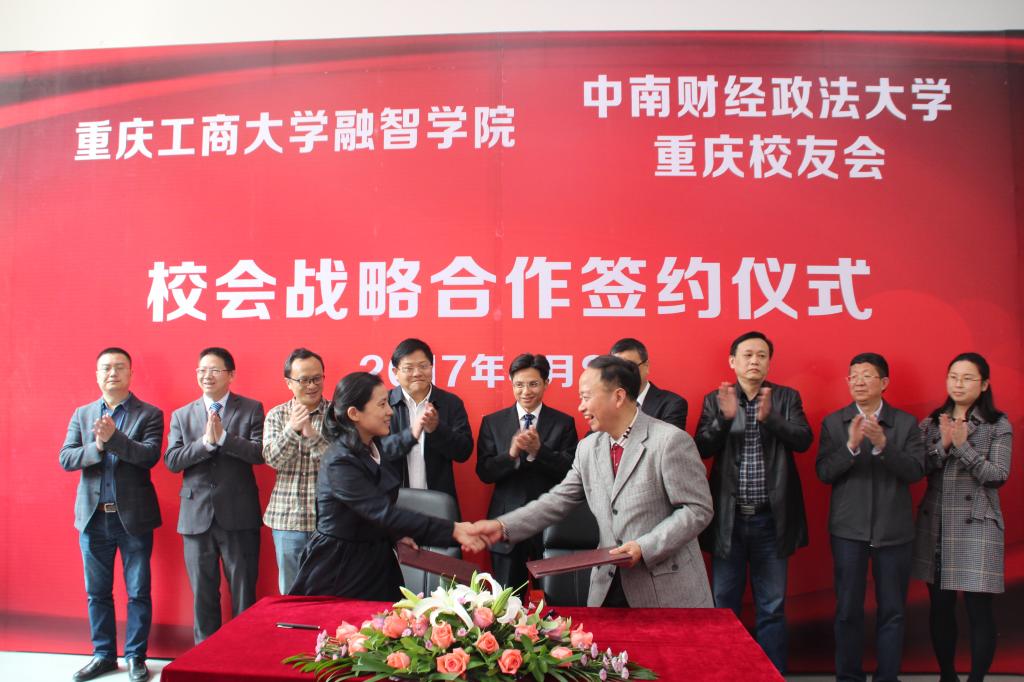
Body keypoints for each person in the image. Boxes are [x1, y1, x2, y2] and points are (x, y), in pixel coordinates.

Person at [472, 355, 713, 608]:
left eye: (586, 397)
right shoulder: (588, 447)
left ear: (618, 397)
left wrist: (645, 547)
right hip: (607, 586)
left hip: (665, 590)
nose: (581, 407)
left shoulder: (670, 441)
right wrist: (502, 526)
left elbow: (698, 509)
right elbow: (556, 501)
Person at [289, 372, 484, 600]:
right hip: (340, 567)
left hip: (377, 558)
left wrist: (396, 536)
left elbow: (378, 515)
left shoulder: (374, 446)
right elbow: (382, 512)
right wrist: (453, 530)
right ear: (354, 413)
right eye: (382, 404)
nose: (390, 411)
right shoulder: (339, 461)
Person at [695, 330, 813, 673]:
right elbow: (701, 448)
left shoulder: (786, 398)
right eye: (747, 355)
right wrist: (724, 418)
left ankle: (771, 675)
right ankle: (724, 673)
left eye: (761, 355)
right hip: (729, 521)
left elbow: (804, 440)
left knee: (772, 607)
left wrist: (770, 418)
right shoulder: (716, 399)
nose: (754, 361)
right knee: (724, 605)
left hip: (771, 521)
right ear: (733, 361)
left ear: (769, 362)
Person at [816, 353, 925, 682]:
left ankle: (887, 677)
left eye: (867, 375)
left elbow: (915, 471)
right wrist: (850, 446)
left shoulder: (906, 423)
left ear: (884, 382)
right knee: (848, 610)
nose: (858, 382)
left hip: (894, 532)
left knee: (892, 611)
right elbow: (824, 473)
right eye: (853, 376)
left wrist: (882, 444)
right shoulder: (834, 423)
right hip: (849, 531)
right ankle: (848, 676)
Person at [59, 348, 163, 682]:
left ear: (131, 373)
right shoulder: (82, 414)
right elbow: (66, 458)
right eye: (106, 368)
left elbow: (148, 456)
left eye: (119, 367)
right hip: (93, 519)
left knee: (138, 592)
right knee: (97, 592)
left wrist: (114, 438)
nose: (112, 373)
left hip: (133, 519)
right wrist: (98, 446)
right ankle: (103, 655)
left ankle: (135, 656)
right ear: (97, 374)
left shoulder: (149, 414)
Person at [911, 352, 1012, 682]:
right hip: (937, 525)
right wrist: (943, 444)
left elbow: (998, 476)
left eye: (968, 378)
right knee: (940, 608)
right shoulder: (930, 422)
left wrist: (963, 447)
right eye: (953, 376)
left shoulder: (998, 424)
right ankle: (947, 676)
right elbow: (917, 469)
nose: (959, 384)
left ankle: (976, 679)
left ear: (984, 385)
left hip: (977, 524)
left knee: (978, 609)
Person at [164, 347, 265, 644]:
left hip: (239, 515)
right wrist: (206, 444)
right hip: (196, 517)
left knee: (243, 592)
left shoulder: (251, 409)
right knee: (203, 594)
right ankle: (204, 654)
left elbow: (260, 453)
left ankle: (244, 651)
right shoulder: (182, 415)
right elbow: (172, 461)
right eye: (202, 370)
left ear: (230, 375)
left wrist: (224, 439)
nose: (207, 376)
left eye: (215, 370)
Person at [475, 353, 579, 589]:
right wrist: (511, 454)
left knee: (555, 596)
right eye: (519, 385)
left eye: (533, 384)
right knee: (507, 597)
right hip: (507, 522)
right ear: (511, 384)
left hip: (551, 523)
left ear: (546, 383)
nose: (526, 391)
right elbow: (484, 472)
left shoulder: (563, 423)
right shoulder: (493, 422)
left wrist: (540, 451)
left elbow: (571, 471)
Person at [379, 338, 474, 517]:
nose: (417, 373)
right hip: (394, 504)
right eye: (408, 368)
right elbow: (377, 452)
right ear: (395, 372)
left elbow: (464, 452)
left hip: (438, 505)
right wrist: (411, 434)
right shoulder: (383, 404)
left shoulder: (450, 403)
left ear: (432, 367)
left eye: (423, 366)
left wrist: (437, 430)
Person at [263, 348, 329, 594]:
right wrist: (292, 429)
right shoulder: (277, 415)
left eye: (317, 378)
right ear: (289, 382)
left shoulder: (337, 414)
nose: (311, 386)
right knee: (291, 594)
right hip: (287, 518)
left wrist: (311, 435)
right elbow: (272, 459)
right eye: (304, 380)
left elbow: (337, 464)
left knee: (328, 591)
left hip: (327, 520)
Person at [610, 337, 688, 431]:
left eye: (630, 367)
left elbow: (668, 439)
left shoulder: (672, 404)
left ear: (646, 366)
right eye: (617, 368)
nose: (624, 373)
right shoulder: (607, 402)